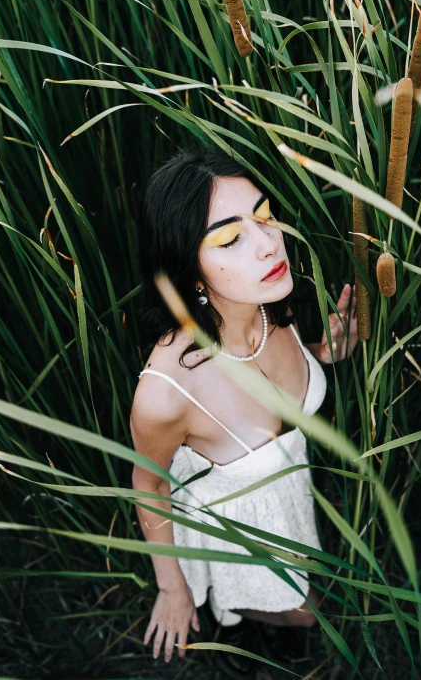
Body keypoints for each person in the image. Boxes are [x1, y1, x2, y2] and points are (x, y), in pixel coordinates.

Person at [129, 143, 358, 677]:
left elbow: (288, 376)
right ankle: (246, 638)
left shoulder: (269, 304)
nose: (268, 243)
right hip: (239, 536)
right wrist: (173, 588)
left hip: (290, 507)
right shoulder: (167, 391)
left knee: (307, 611)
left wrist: (326, 354)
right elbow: (149, 484)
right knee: (304, 623)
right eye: (231, 238)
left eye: (265, 216)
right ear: (191, 272)